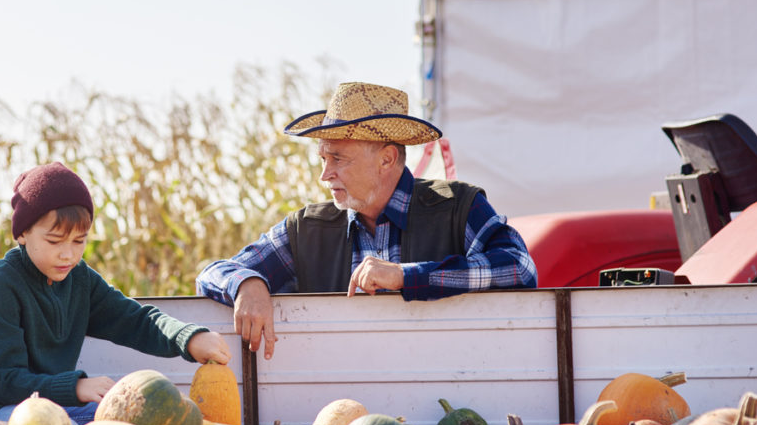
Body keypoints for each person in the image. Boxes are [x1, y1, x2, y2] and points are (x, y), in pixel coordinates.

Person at [196, 81, 538, 360]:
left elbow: (519, 268)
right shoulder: (305, 229)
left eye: (337, 159)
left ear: (387, 159)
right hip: (341, 410)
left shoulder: (458, 205)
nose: (324, 175)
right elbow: (212, 274)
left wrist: (407, 276)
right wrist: (247, 284)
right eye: (322, 158)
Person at [0, 162, 230, 425]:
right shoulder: (1, 285)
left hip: (53, 407)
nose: (68, 254)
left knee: (136, 421)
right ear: (23, 233)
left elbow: (135, 320)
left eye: (79, 241)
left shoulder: (79, 279)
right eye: (54, 241)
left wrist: (188, 337)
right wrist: (76, 387)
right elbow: (7, 381)